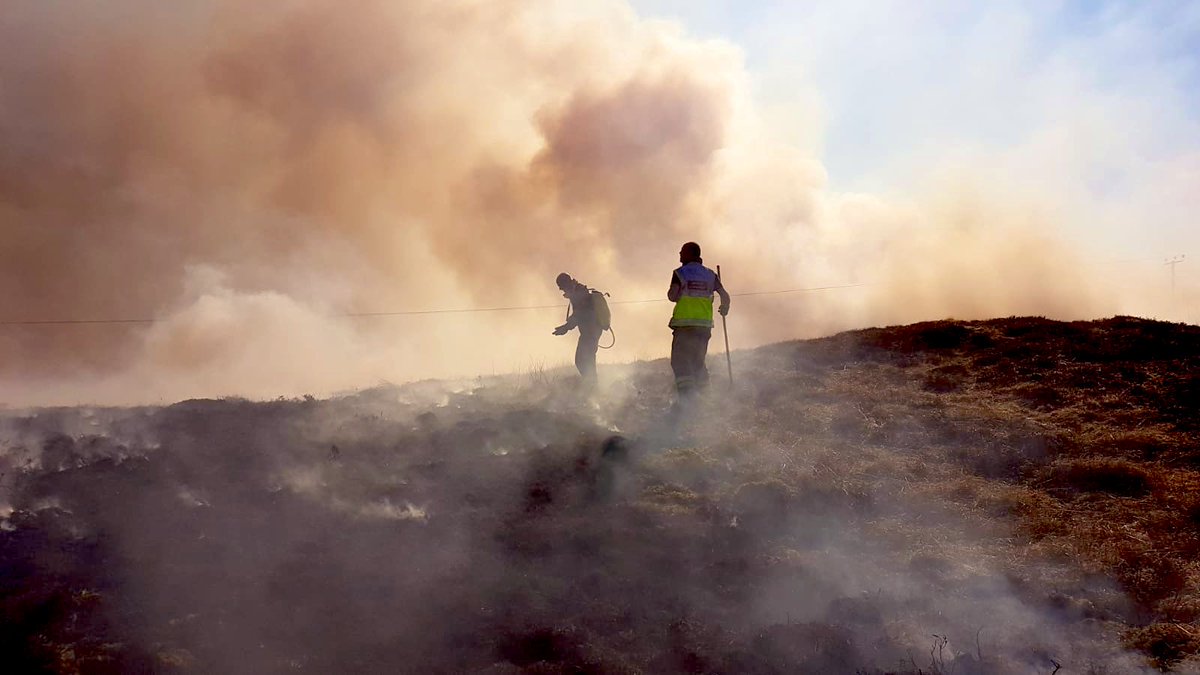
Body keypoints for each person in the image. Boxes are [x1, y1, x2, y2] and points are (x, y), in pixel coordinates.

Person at [667, 242, 729, 396]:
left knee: (680, 362)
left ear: (689, 254)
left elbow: (672, 296)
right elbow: (725, 295)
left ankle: (687, 398)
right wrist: (724, 308)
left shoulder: (680, 273)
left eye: (682, 252)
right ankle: (705, 396)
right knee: (698, 362)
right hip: (704, 327)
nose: (679, 254)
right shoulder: (710, 274)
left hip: (684, 326)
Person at [553, 273, 602, 382]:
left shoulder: (579, 293)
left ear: (566, 284)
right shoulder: (578, 292)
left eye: (561, 286)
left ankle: (592, 385)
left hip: (591, 331)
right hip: (590, 331)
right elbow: (578, 315)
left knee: (582, 360)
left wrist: (566, 327)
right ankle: (592, 385)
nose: (561, 290)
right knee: (585, 359)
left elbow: (579, 314)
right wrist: (566, 327)